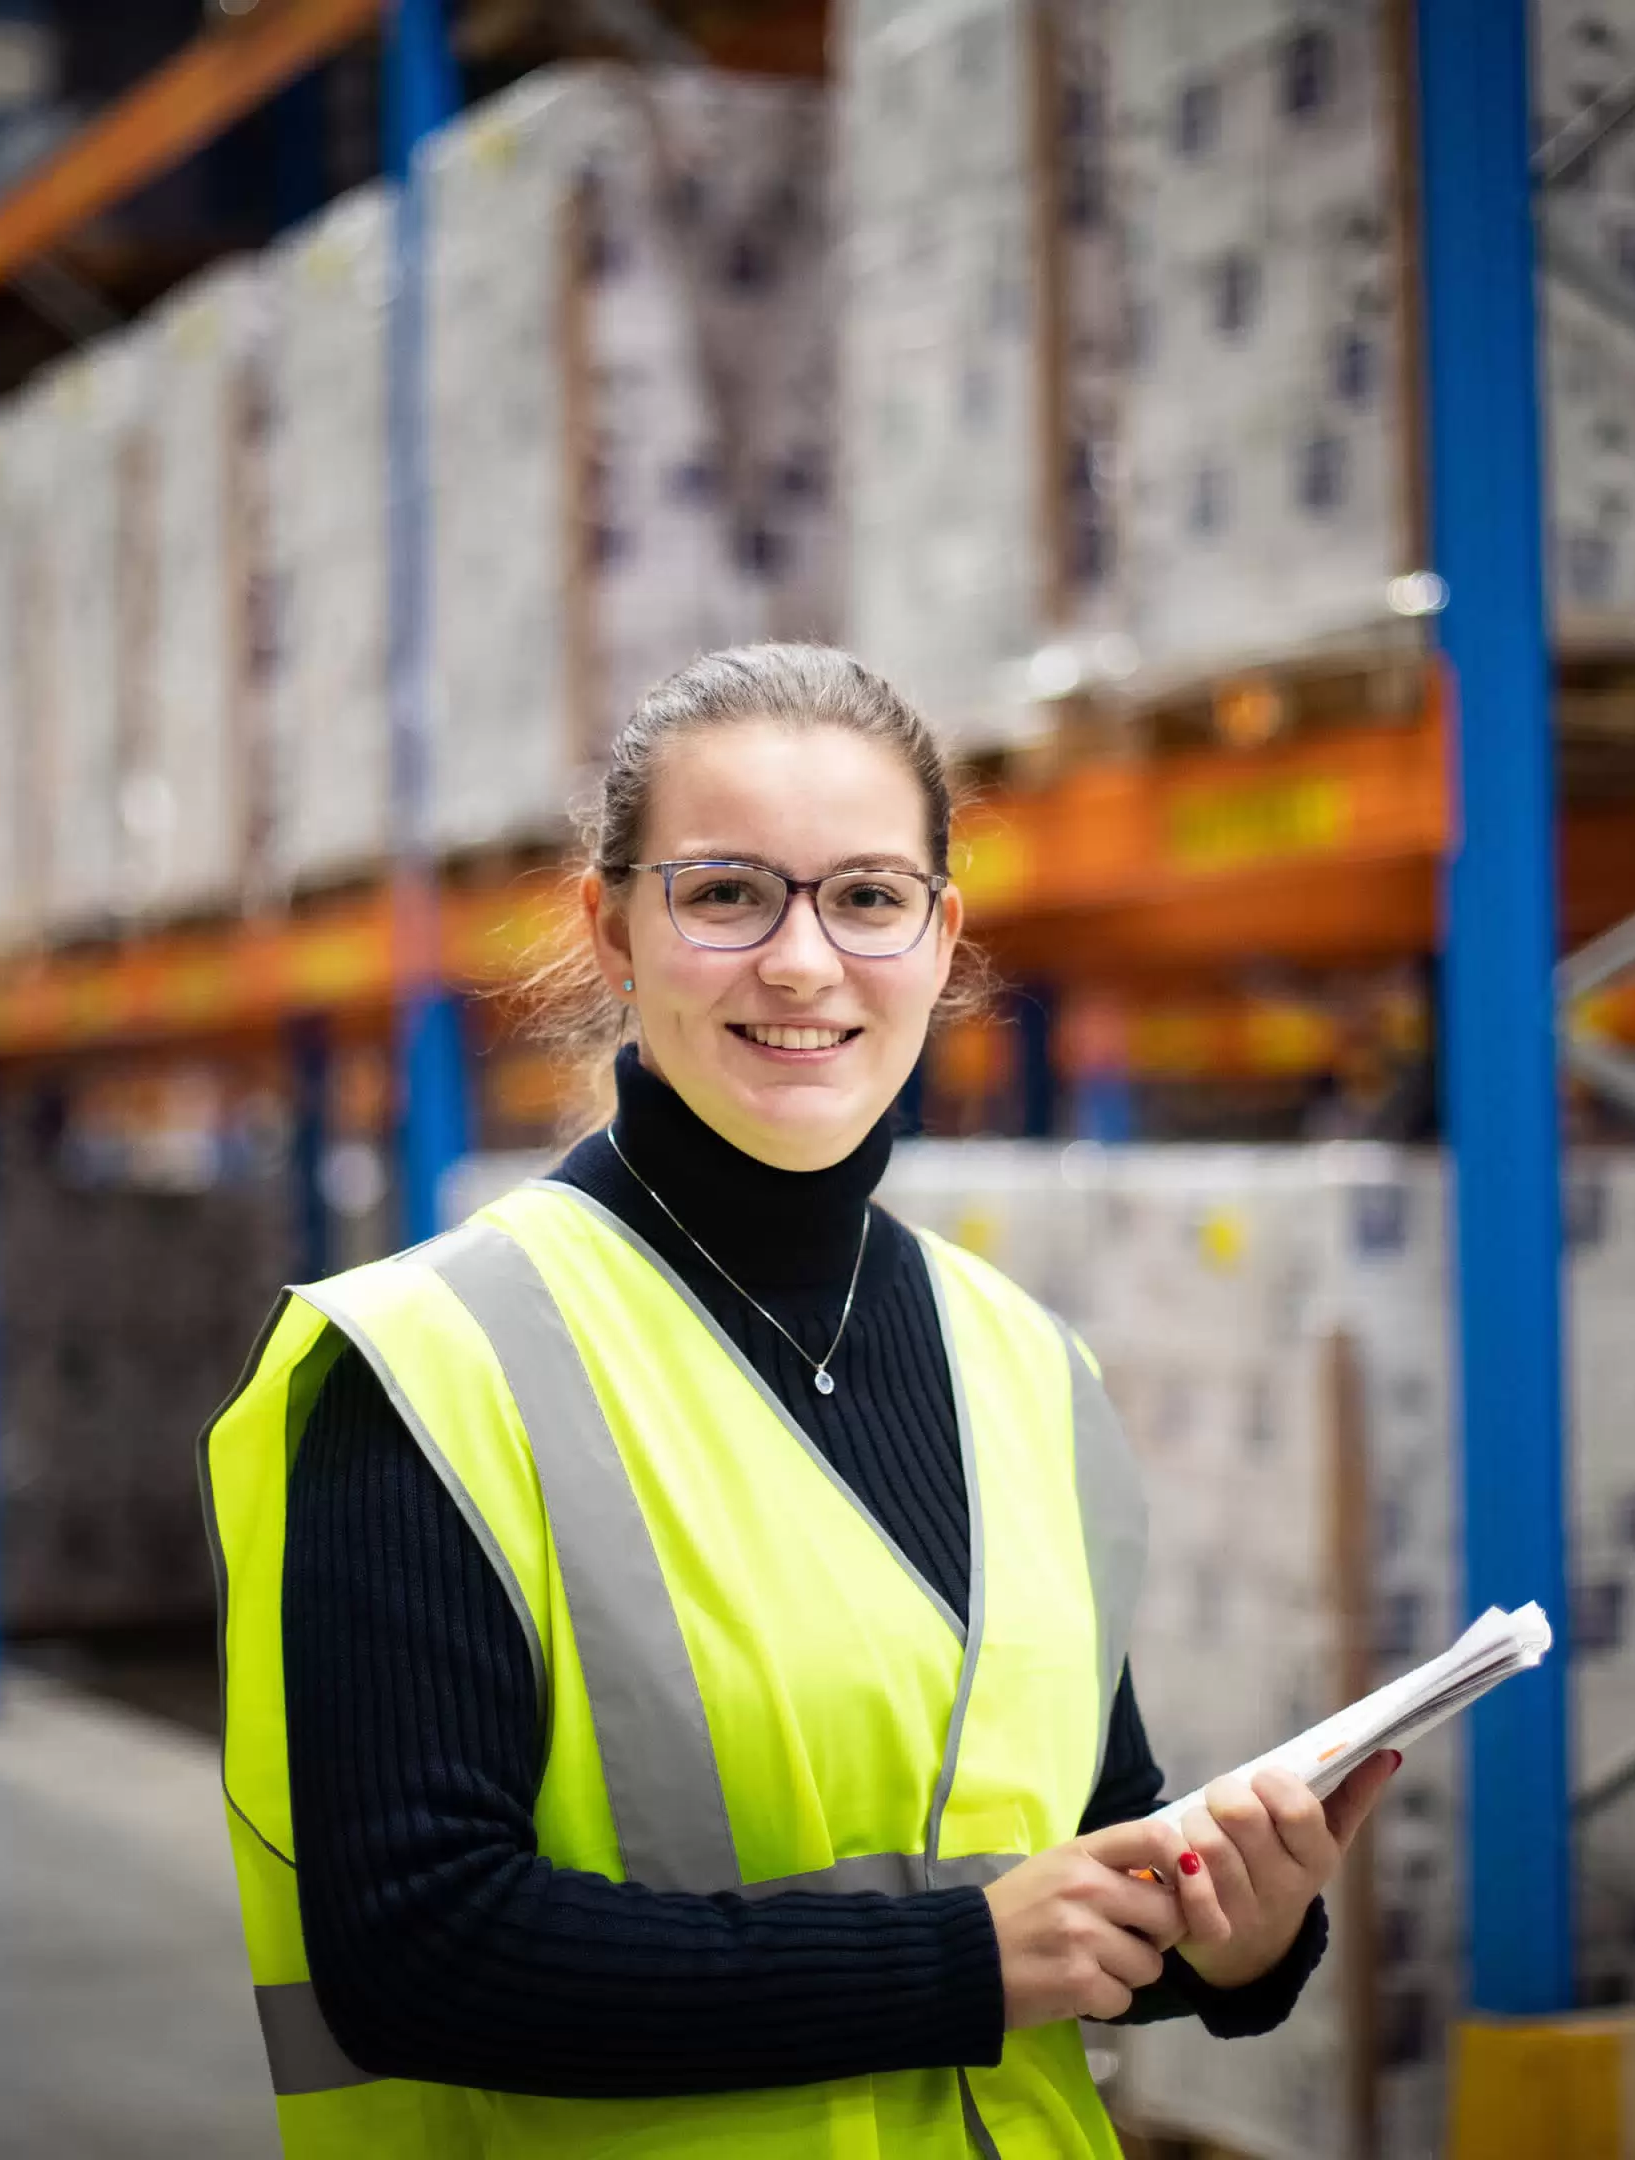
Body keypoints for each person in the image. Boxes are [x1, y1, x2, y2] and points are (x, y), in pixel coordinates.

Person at [201, 645, 1398, 2157]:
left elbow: (1084, 1861)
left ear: (942, 934)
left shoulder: (1027, 1368)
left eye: (868, 896)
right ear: (612, 926)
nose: (803, 962)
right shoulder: (433, 1368)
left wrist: (1232, 1938)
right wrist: (958, 1961)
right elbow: (415, 1952)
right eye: (725, 894)